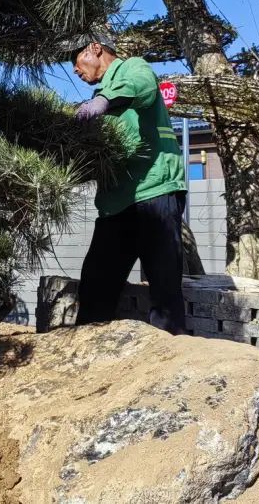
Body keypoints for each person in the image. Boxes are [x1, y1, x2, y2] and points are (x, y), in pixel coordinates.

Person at [69, 31, 187, 335]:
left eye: (76, 59)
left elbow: (143, 88)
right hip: (115, 204)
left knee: (164, 290)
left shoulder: (132, 69)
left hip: (154, 191)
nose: (74, 69)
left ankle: (170, 359)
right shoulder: (96, 101)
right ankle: (89, 360)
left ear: (95, 48)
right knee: (95, 287)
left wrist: (105, 101)